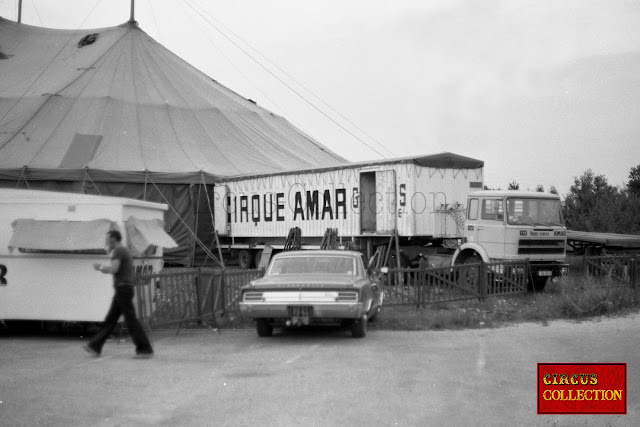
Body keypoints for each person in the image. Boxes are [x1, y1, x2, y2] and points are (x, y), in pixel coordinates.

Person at [83, 230, 154, 358]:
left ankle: (145, 349)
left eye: (107, 239)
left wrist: (100, 268)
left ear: (113, 239)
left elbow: (114, 269)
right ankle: (94, 346)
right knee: (111, 319)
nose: (106, 241)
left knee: (130, 320)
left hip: (123, 288)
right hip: (123, 289)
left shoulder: (118, 251)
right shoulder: (123, 250)